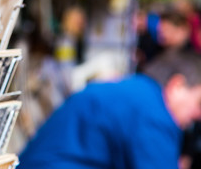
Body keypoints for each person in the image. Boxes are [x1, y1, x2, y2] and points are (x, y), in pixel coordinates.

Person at [18, 50, 201, 169]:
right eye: (199, 103)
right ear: (177, 85)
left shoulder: (139, 91)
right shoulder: (154, 113)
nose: (198, 115)